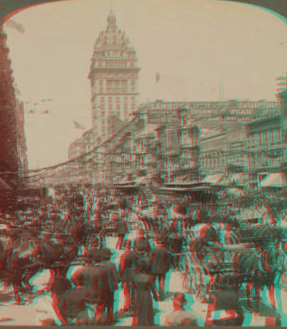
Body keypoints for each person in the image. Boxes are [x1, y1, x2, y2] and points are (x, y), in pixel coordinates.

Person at [132, 260, 157, 326]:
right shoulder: (148, 277)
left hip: (139, 294)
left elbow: (133, 287)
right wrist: (155, 295)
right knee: (147, 310)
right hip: (147, 294)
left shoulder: (135, 276)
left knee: (141, 310)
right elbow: (152, 287)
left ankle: (141, 324)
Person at [99, 248, 120, 325]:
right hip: (110, 288)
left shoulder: (99, 265)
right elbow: (117, 278)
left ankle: (102, 320)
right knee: (110, 304)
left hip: (101, 288)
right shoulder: (112, 265)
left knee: (102, 304)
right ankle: (110, 320)